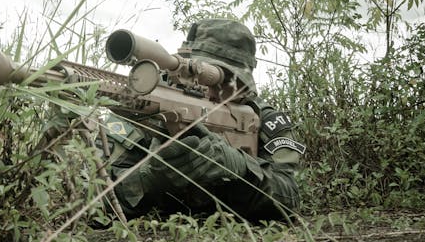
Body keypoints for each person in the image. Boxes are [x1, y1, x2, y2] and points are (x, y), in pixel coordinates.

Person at [100, 18, 304, 222]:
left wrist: (240, 168)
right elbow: (93, 201)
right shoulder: (148, 106)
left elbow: (290, 197)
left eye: (229, 82)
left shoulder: (264, 119)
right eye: (202, 80)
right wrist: (150, 178)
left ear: (246, 86)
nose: (211, 91)